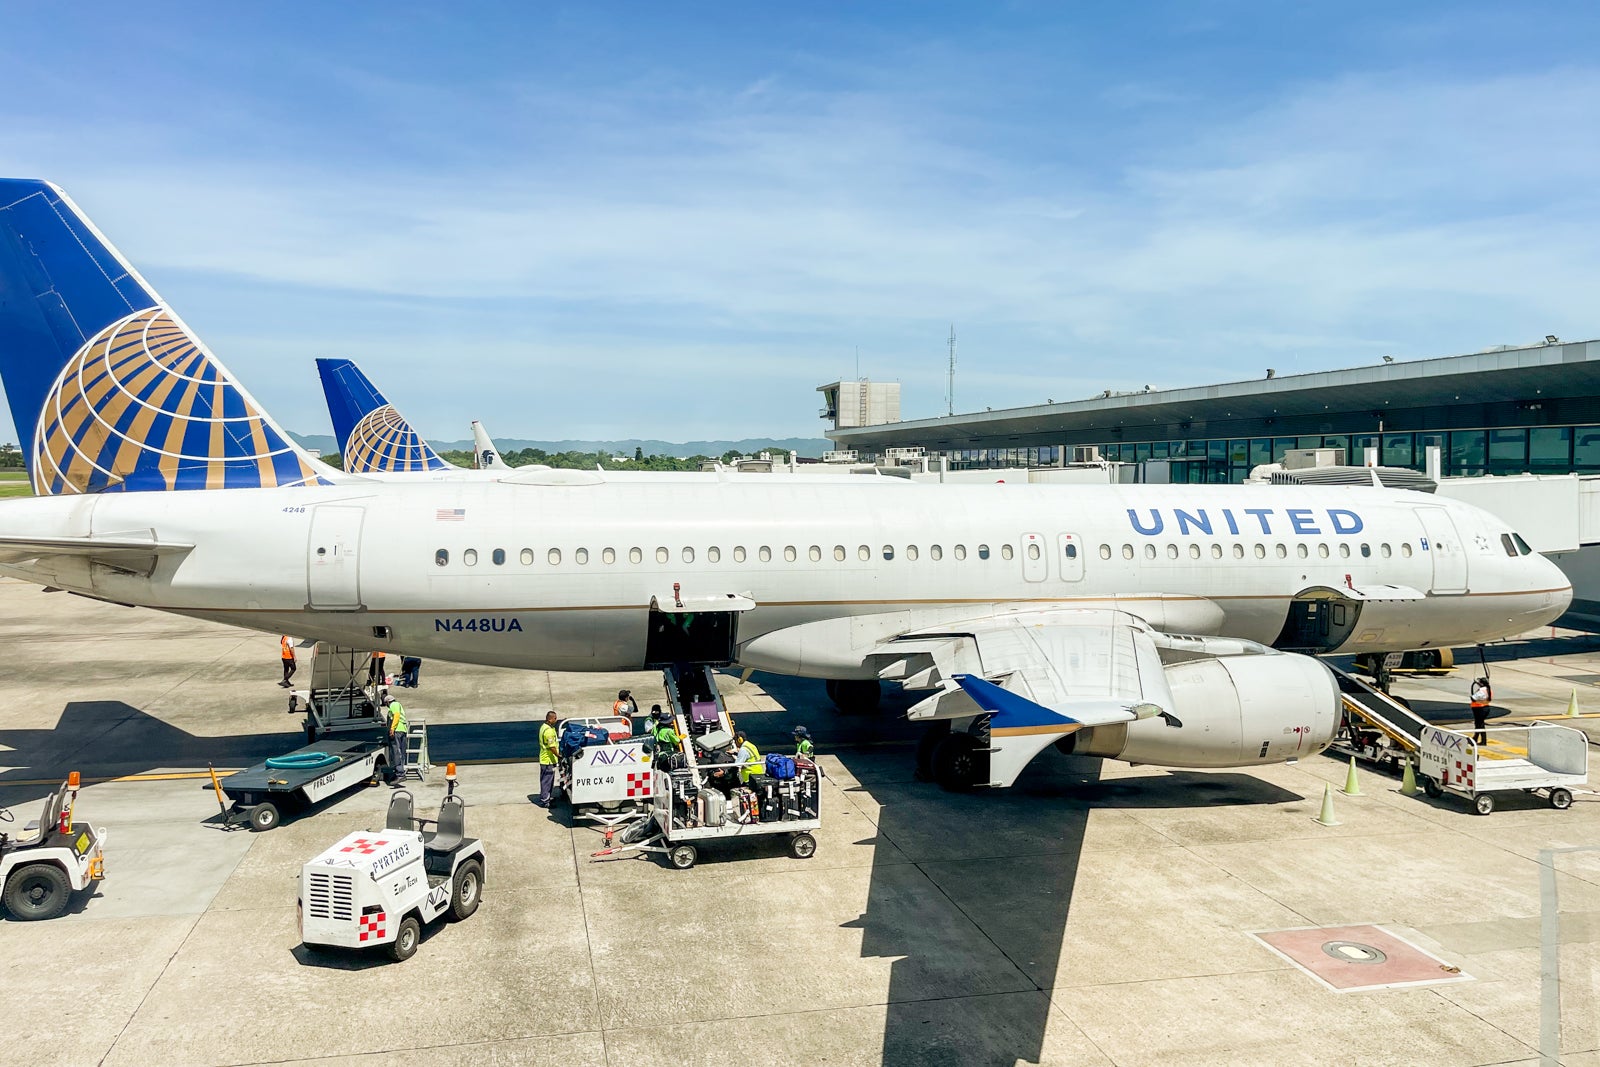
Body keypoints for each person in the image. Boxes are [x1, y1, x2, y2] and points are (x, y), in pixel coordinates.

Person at [385, 695, 409, 785]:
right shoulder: (399, 705)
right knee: (401, 753)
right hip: (402, 730)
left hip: (397, 730)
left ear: (388, 702)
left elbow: (396, 715)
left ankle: (400, 773)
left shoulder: (394, 704)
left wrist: (392, 729)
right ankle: (399, 772)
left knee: (396, 752)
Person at [537, 710, 559, 807]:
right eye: (555, 718)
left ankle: (547, 797)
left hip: (547, 759)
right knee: (546, 780)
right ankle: (545, 801)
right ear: (550, 719)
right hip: (547, 760)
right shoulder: (548, 731)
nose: (556, 720)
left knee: (548, 780)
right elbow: (552, 747)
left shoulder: (544, 727)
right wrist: (559, 755)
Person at [1470, 676, 1491, 745]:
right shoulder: (1488, 689)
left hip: (1479, 709)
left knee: (1479, 724)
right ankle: (1476, 738)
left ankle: (1482, 740)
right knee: (1479, 724)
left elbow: (1473, 698)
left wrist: (1472, 696)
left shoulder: (1481, 691)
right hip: (1485, 708)